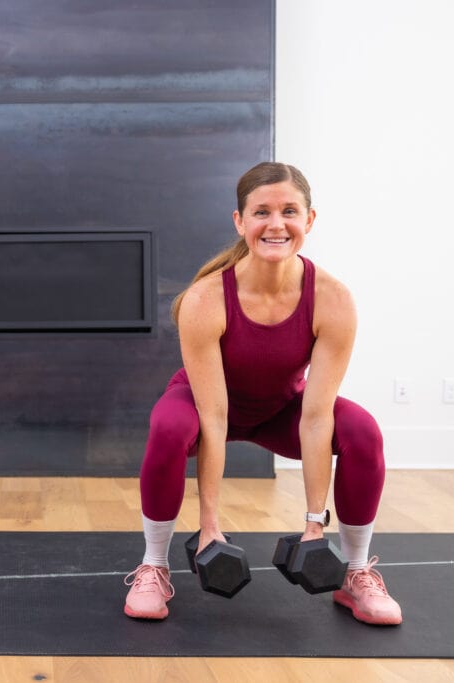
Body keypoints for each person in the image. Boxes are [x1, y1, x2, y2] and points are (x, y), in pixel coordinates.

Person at [123, 162, 402, 625]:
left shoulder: (332, 299)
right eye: (262, 212)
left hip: (282, 409)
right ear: (240, 221)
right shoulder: (206, 298)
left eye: (290, 211)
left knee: (362, 432)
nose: (276, 224)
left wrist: (315, 523)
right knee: (169, 426)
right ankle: (154, 564)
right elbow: (214, 416)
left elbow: (315, 417)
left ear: (309, 220)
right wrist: (210, 524)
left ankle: (355, 574)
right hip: (205, 404)